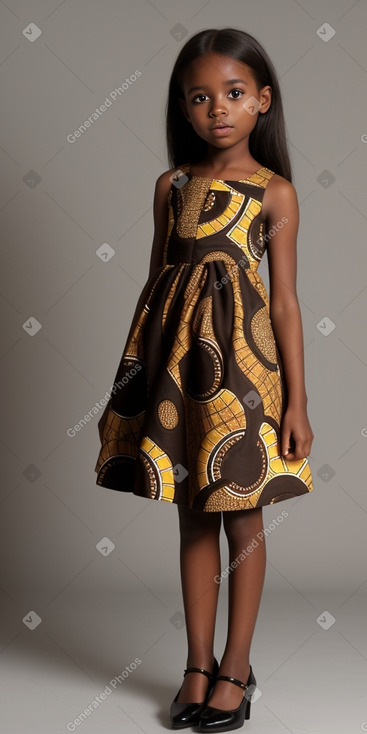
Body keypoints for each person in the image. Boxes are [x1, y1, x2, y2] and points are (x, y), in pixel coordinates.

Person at [94, 27, 315, 733]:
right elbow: (157, 284)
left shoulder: (272, 193)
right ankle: (196, 663)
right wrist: (130, 385)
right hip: (178, 371)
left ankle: (235, 666)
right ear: (182, 109)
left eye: (234, 93)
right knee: (192, 512)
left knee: (240, 513)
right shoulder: (173, 185)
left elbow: (283, 300)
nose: (217, 108)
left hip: (245, 374)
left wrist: (297, 402)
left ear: (262, 101)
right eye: (199, 97)